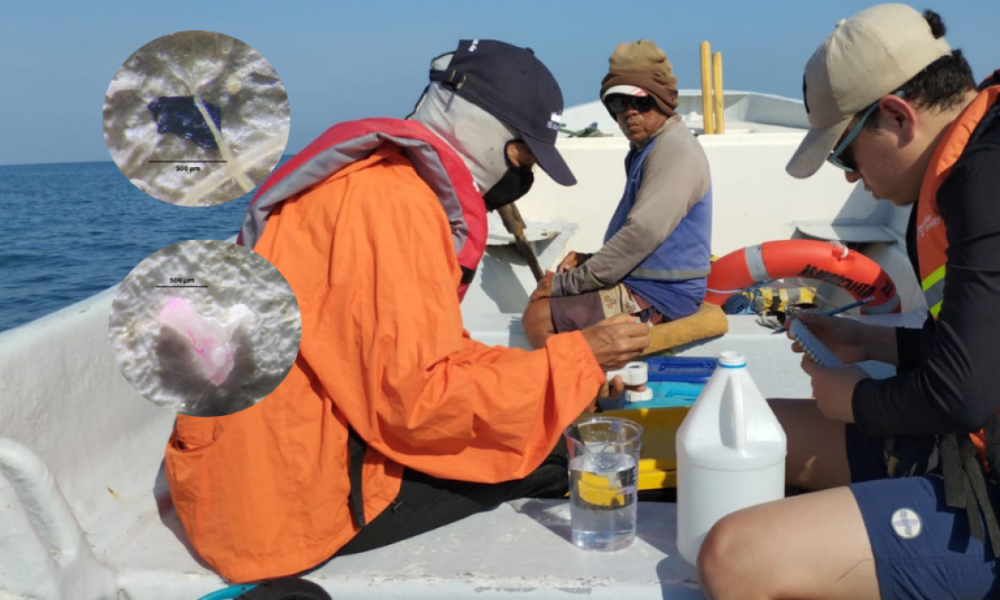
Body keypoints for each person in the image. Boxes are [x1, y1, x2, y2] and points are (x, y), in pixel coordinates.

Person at [163, 39, 651, 584]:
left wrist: (572, 370)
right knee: (553, 459)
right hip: (284, 505)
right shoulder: (395, 207)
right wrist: (579, 361)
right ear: (487, 134)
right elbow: (417, 403)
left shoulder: (373, 183)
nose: (524, 173)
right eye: (523, 155)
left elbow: (432, 358)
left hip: (255, 470)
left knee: (541, 430)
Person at [697, 5, 1000, 600]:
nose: (848, 179)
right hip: (969, 440)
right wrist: (874, 342)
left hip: (986, 484)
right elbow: (981, 356)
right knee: (746, 433)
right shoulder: (970, 164)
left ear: (896, 114)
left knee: (733, 558)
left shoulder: (983, 182)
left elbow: (962, 396)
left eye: (844, 154)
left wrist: (857, 401)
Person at [521, 40, 713, 349]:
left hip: (663, 296)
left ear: (663, 101)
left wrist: (564, 285)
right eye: (618, 103)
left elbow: (642, 233)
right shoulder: (649, 148)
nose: (629, 113)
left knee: (539, 318)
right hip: (646, 282)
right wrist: (590, 261)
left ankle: (582, 395)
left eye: (641, 102)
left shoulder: (675, 151)